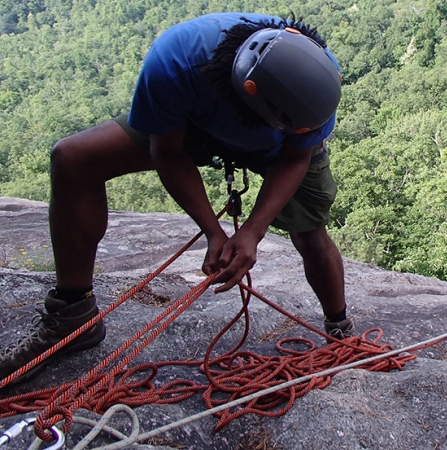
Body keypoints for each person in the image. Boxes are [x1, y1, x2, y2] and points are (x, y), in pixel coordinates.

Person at [0, 13, 353, 385]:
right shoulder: (176, 62)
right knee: (73, 159)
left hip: (277, 142)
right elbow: (167, 153)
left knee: (310, 232)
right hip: (193, 121)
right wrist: (213, 232)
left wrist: (253, 231)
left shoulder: (315, 80)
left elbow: (297, 156)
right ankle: (73, 312)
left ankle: (339, 326)